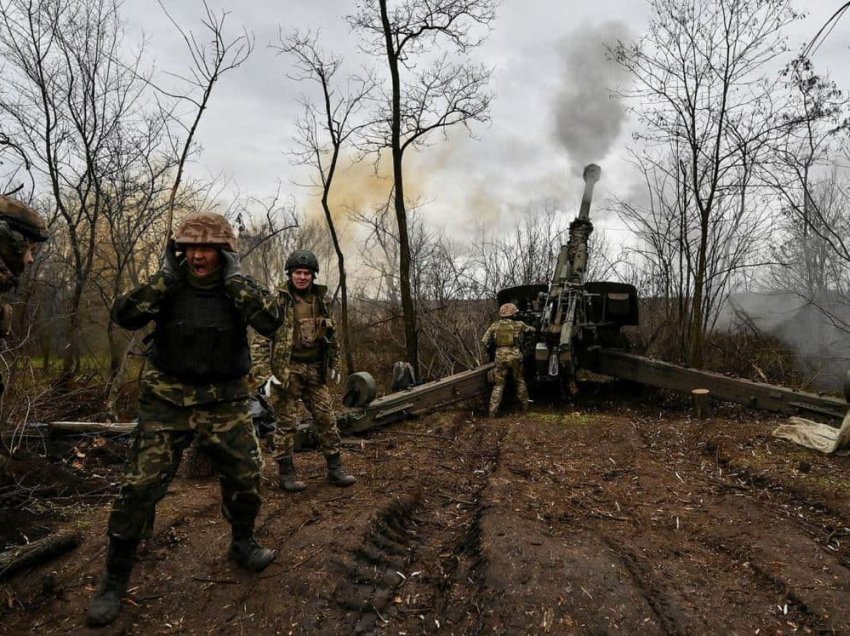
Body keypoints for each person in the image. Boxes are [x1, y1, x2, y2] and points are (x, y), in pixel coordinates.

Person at [87, 213, 282, 628]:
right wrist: (164, 278)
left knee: (247, 475)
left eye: (207, 248)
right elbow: (124, 314)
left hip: (225, 400)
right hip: (167, 400)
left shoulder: (236, 288)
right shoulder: (167, 285)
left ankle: (242, 542)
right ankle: (115, 576)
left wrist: (235, 281)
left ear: (223, 252)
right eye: (190, 247)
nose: (197, 255)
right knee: (139, 486)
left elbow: (271, 321)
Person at [253, 249, 356, 493]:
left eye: (307, 273)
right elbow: (260, 339)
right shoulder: (278, 301)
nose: (302, 277)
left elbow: (331, 336)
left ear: (313, 276)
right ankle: (286, 473)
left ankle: (335, 468)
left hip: (315, 369)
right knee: (286, 423)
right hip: (287, 371)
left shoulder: (321, 301)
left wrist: (334, 363)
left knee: (326, 418)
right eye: (298, 273)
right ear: (290, 274)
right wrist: (263, 375)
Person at [481, 303, 535, 417]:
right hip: (515, 356)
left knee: (498, 385)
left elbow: (485, 341)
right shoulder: (519, 324)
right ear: (513, 314)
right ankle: (525, 409)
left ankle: (492, 412)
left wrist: (492, 349)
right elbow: (531, 330)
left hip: (500, 357)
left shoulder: (495, 326)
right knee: (519, 380)